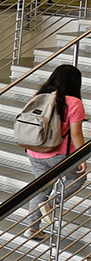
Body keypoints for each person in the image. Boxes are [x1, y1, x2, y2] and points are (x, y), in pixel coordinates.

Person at [24, 65, 86, 240]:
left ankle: (33, 228)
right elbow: (76, 133)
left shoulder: (39, 97)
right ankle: (51, 204)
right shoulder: (74, 102)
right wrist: (81, 156)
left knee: (42, 187)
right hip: (58, 154)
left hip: (34, 150)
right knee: (78, 177)